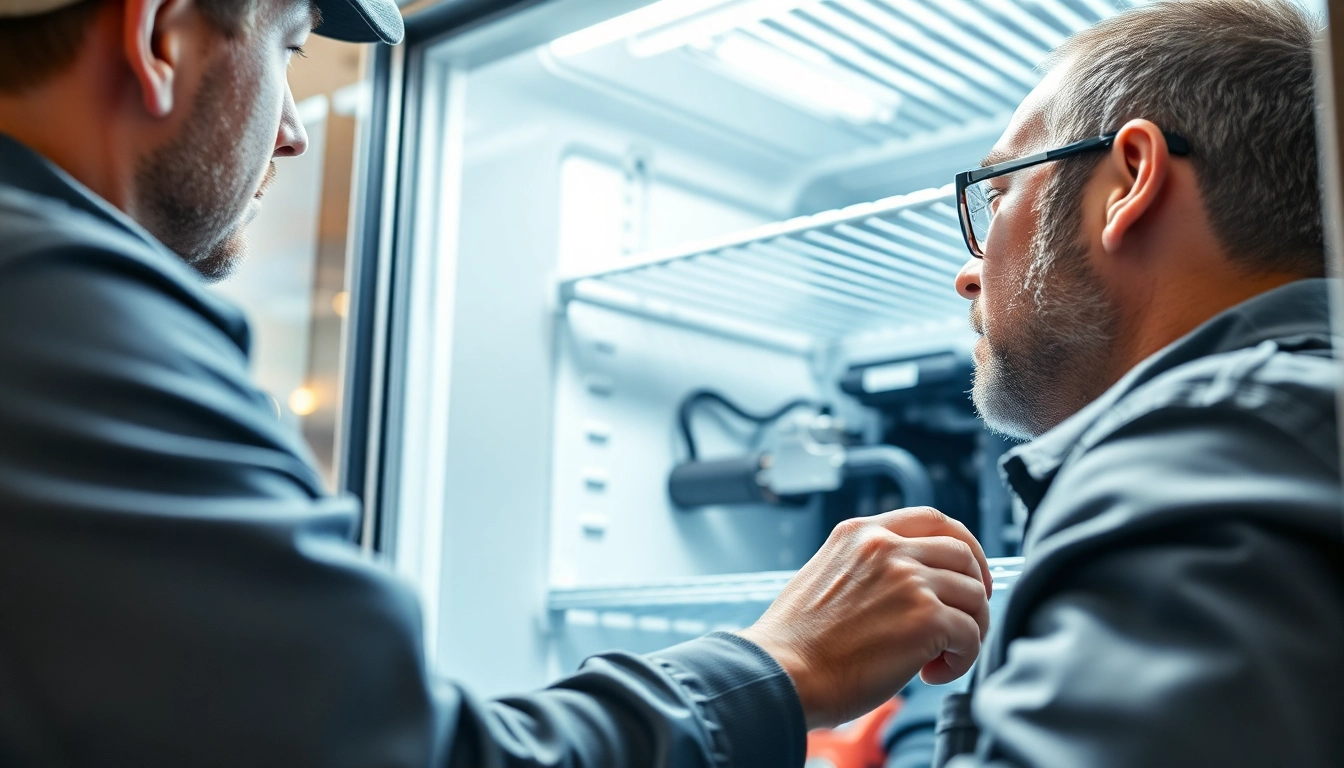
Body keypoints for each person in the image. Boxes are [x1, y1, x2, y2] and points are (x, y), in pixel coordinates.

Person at [0, 1, 995, 766]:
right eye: (291, 47)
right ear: (158, 33)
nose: (294, 129)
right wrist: (788, 664)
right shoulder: (60, 308)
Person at [929, 1, 1344, 765]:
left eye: (996, 198)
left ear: (1129, 181)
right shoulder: (1289, 433)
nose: (967, 273)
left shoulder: (1214, 455)